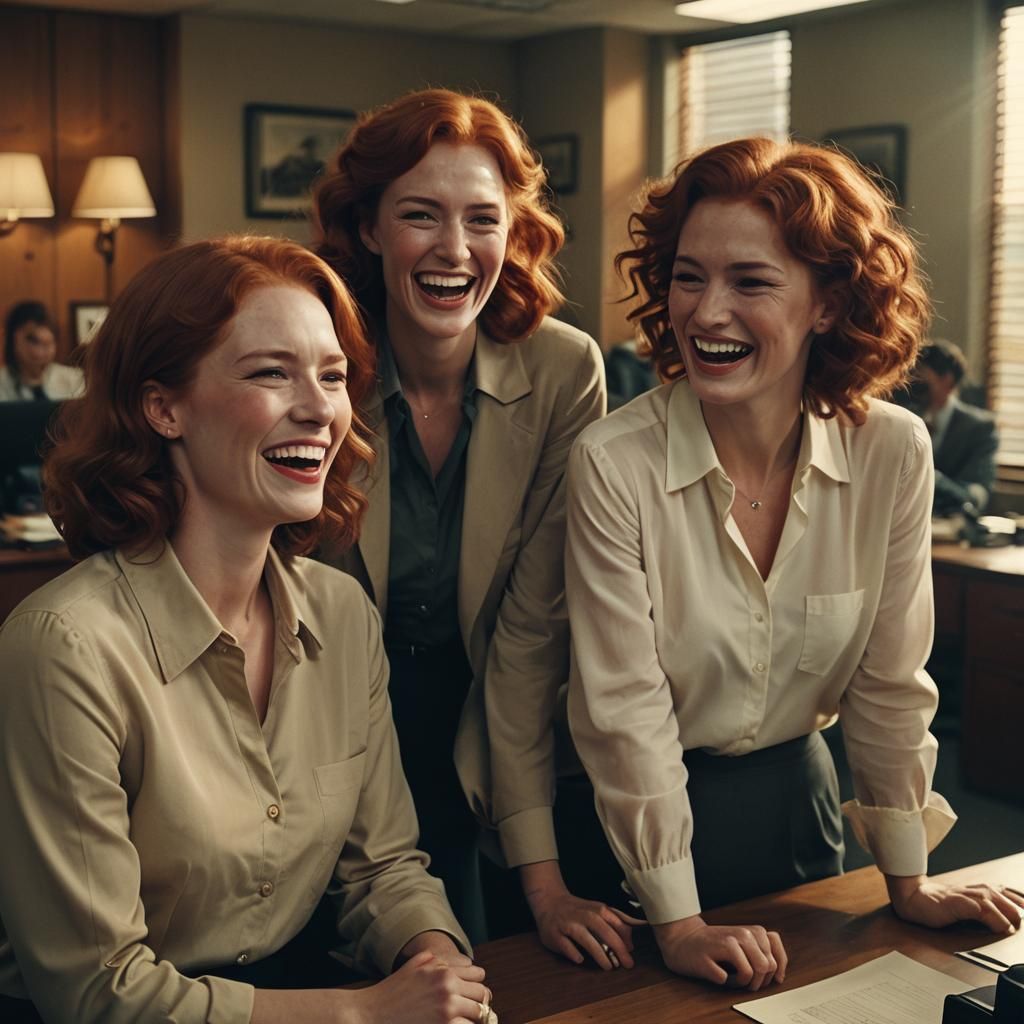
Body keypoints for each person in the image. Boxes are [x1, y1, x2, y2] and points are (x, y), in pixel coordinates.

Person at [565, 137, 1024, 993]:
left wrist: (909, 881)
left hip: (797, 812)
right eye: (689, 277)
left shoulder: (892, 450)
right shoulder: (613, 463)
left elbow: (890, 684)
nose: (706, 313)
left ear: (828, 304)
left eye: (751, 282)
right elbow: (624, 715)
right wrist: (679, 923)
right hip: (632, 831)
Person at [0, 237, 493, 1024]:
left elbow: (384, 869)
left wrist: (438, 970)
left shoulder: (342, 613)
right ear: (163, 408)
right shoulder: (64, 647)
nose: (321, 410)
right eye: (271, 373)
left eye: (332, 376)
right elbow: (97, 993)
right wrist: (365, 1015)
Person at [312, 88, 636, 967]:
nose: (454, 249)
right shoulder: (316, 360)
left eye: (482, 219)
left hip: (482, 727)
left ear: (513, 232)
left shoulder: (564, 370)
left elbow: (530, 635)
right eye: (420, 215)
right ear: (369, 227)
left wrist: (545, 886)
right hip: (314, 733)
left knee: (472, 972)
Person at [900, 338, 999, 514]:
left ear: (947, 381)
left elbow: (976, 496)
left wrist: (927, 475)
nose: (913, 389)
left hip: (950, 522)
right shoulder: (901, 420)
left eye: (921, 383)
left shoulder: (980, 428)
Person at [0, 301, 83, 401]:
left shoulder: (74, 379)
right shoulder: (2, 383)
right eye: (33, 341)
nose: (39, 353)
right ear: (13, 340)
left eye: (47, 344)